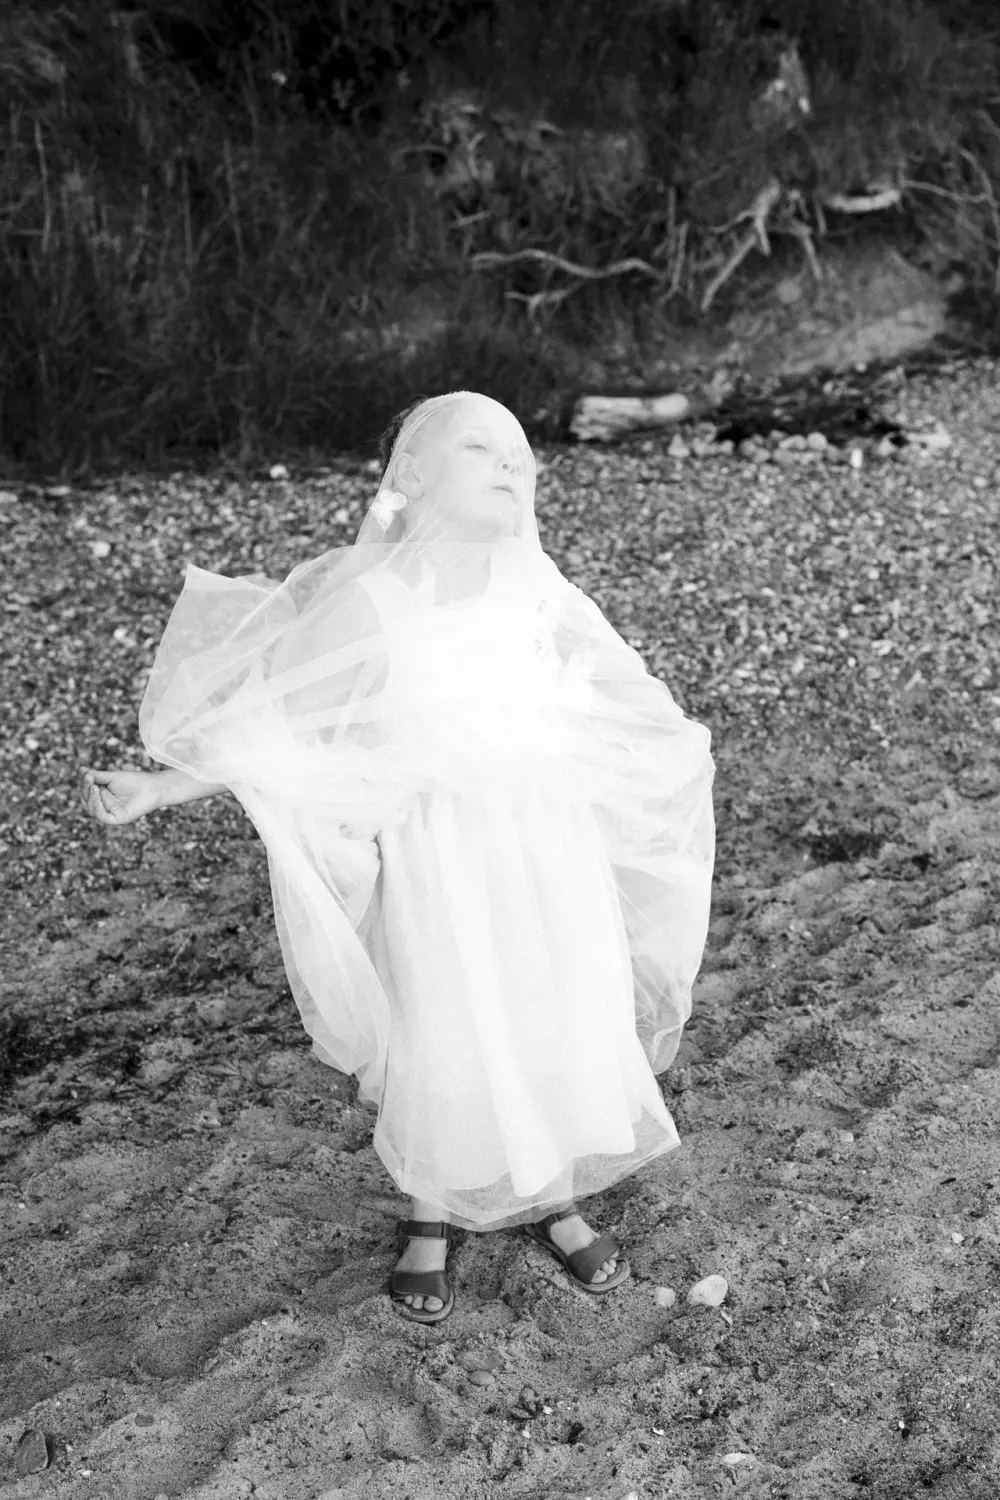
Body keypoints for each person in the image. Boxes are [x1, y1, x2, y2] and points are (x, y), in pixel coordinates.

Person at [82, 390, 715, 1325]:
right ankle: (431, 1208)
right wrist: (168, 785)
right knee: (445, 1019)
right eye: (481, 446)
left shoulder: (535, 585)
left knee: (551, 1004)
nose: (512, 464)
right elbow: (291, 720)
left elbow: (610, 691)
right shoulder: (374, 597)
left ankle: (551, 1194)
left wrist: (662, 745)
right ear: (414, 476)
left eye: (519, 451)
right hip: (439, 850)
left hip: (544, 841)